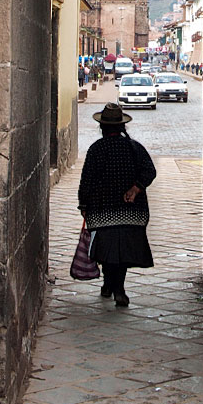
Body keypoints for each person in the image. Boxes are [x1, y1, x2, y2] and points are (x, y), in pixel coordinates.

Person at [78, 103, 156, 307]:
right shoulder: (134, 148)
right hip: (131, 212)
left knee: (108, 249)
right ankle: (117, 287)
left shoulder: (96, 149)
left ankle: (109, 284)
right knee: (122, 251)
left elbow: (86, 180)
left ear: (102, 127)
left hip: (102, 212)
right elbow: (150, 171)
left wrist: (83, 204)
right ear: (122, 127)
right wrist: (135, 189)